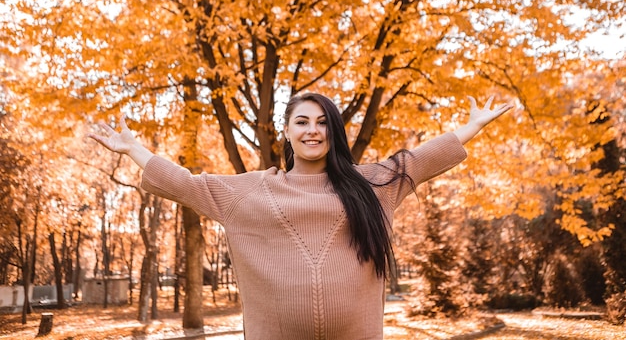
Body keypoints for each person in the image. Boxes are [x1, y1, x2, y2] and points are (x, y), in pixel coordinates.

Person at [89, 93, 512, 340]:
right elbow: (186, 184)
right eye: (302, 121)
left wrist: (471, 127)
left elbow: (416, 161)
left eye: (323, 122)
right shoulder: (250, 191)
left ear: (334, 132)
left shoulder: (370, 185)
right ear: (287, 132)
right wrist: (134, 150)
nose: (313, 130)